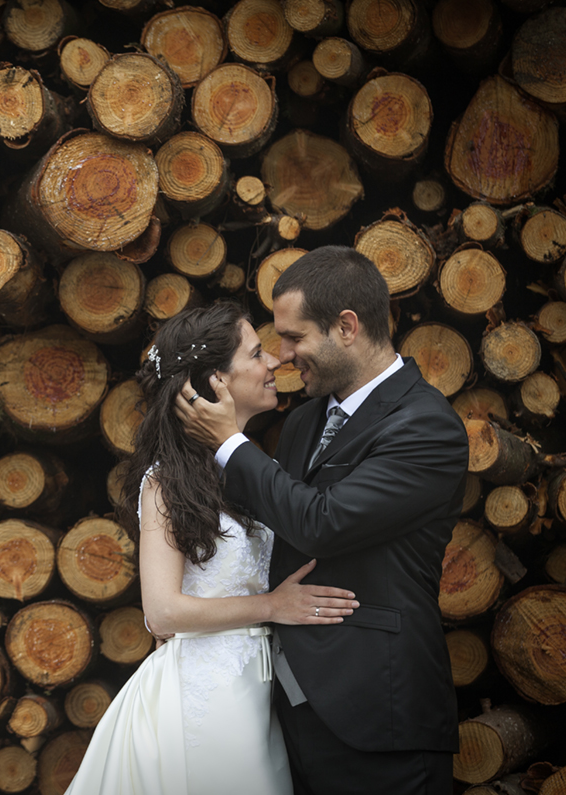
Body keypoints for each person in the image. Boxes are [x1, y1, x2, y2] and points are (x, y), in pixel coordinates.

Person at [174, 246, 468, 795]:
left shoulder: (427, 427)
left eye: (294, 336)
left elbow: (322, 524)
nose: (283, 356)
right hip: (285, 713)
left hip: (379, 715)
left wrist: (230, 445)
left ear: (347, 327)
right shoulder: (307, 419)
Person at [64, 302, 359, 795]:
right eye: (256, 353)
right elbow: (161, 612)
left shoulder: (253, 468)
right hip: (200, 698)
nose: (274, 364)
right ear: (214, 382)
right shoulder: (166, 481)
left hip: (254, 694)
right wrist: (271, 607)